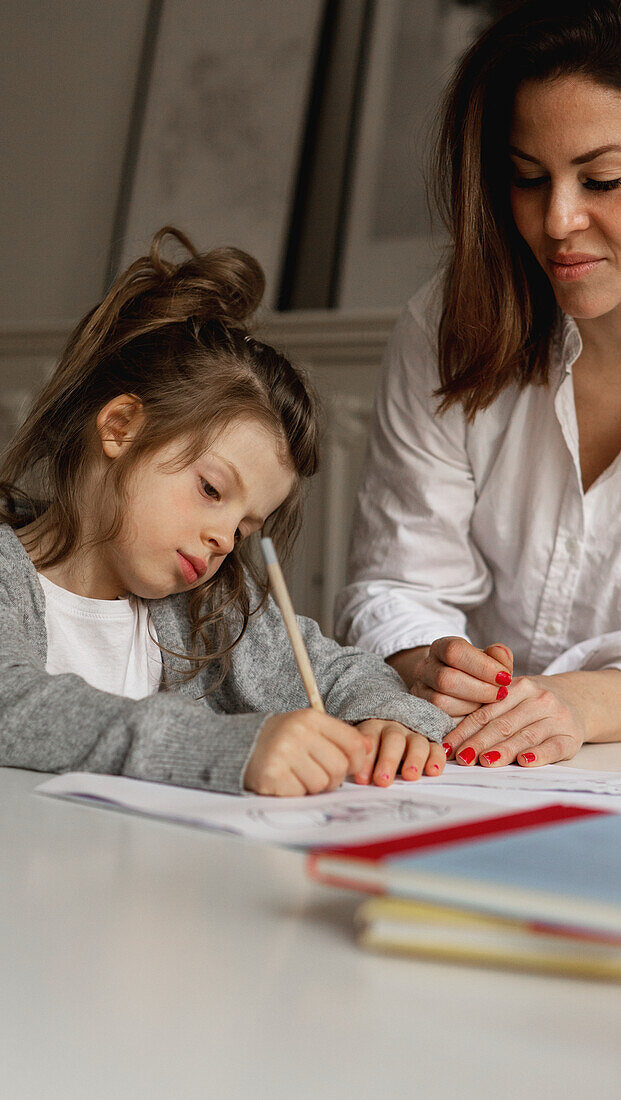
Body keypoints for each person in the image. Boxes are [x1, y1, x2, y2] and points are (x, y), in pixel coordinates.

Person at [0, 227, 452, 795]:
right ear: (121, 428)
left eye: (245, 526)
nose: (225, 541)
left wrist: (388, 719)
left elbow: (337, 671)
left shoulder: (208, 604)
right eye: (211, 490)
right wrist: (225, 748)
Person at [336, 0, 621, 770]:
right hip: (471, 766)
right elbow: (395, 580)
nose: (557, 220)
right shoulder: (448, 323)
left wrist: (585, 702)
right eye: (527, 179)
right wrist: (423, 657)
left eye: (603, 179)